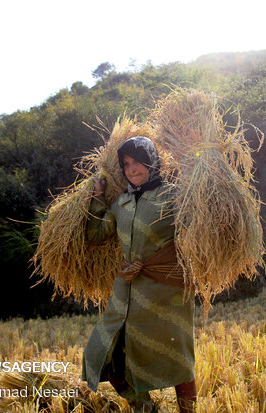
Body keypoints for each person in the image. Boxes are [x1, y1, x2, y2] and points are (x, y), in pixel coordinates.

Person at [81, 136, 197, 412]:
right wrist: (97, 199)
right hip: (127, 289)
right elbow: (96, 234)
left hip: (167, 289)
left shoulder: (175, 195)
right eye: (126, 164)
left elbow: (196, 234)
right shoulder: (121, 203)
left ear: (153, 161)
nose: (132, 169)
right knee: (102, 351)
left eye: (138, 162)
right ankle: (143, 406)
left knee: (178, 358)